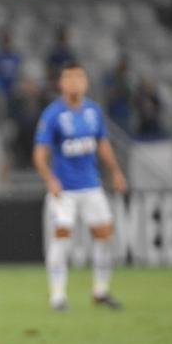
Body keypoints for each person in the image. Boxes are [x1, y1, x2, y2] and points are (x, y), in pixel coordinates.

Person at [32, 62, 128, 312]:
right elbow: (40, 154)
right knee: (62, 237)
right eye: (69, 78)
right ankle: (58, 296)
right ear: (61, 83)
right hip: (64, 190)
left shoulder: (93, 112)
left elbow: (102, 144)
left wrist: (116, 172)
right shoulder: (53, 115)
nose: (75, 82)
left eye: (79, 77)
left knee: (105, 236)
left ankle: (100, 291)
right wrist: (50, 179)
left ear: (85, 82)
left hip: (91, 187)